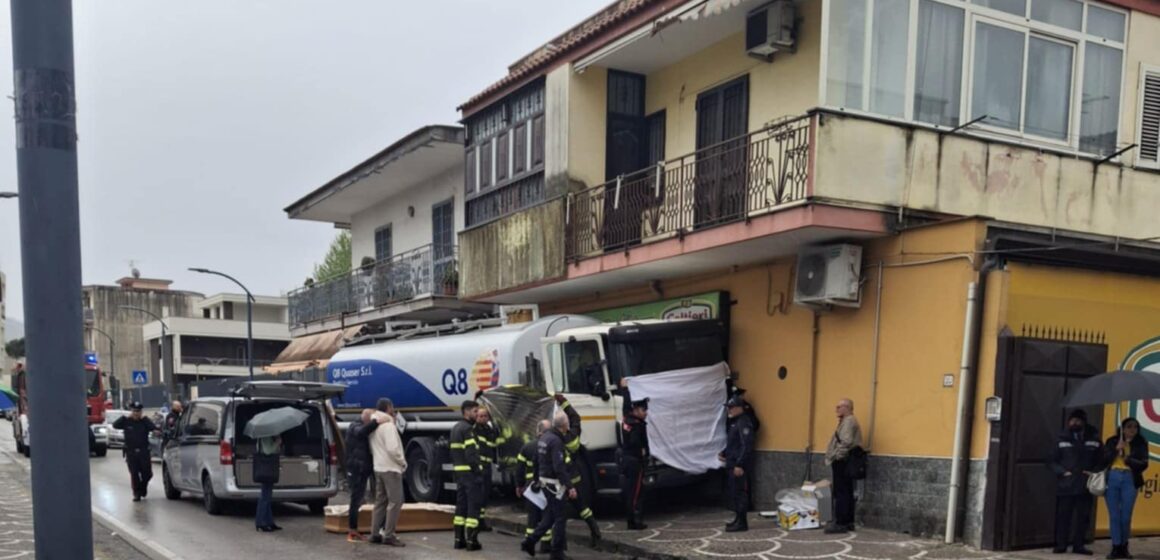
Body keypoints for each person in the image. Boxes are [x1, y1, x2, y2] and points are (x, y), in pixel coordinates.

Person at [520, 410, 575, 560]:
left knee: (550, 517)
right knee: (560, 518)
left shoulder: (544, 438)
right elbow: (559, 467)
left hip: (545, 484)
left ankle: (529, 542)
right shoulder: (556, 441)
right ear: (564, 426)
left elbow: (536, 460)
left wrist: (537, 479)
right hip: (555, 486)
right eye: (568, 425)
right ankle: (556, 553)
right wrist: (570, 486)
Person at [1048, 409, 1101, 555]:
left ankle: (1079, 545)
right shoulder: (1061, 438)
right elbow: (1051, 460)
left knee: (1083, 517)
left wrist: (1094, 471)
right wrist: (1062, 472)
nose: (1074, 423)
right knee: (1064, 516)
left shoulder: (1094, 439)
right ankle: (1061, 545)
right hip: (1066, 484)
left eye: (1078, 420)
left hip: (1085, 484)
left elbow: (1100, 459)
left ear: (1084, 422)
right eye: (1072, 420)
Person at [555, 393, 602, 547]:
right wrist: (563, 402)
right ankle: (595, 532)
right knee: (583, 508)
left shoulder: (554, 439)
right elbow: (575, 417)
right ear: (566, 425)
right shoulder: (574, 435)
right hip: (576, 477)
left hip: (562, 480)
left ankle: (557, 545)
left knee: (558, 512)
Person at [1101, 416, 1147, 559]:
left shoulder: (1141, 443)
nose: (1132, 430)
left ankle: (1124, 546)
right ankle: (1115, 546)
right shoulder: (1112, 441)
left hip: (1130, 478)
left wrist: (1128, 459)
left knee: (1125, 517)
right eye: (1129, 427)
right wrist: (1115, 450)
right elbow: (1103, 460)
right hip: (1113, 477)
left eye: (1135, 427)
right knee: (1114, 516)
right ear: (1122, 428)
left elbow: (1144, 464)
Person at [369, 398, 407, 547]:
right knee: (395, 501)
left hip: (378, 466)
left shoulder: (374, 424)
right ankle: (389, 535)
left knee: (380, 501)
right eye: (392, 407)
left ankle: (374, 533)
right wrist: (402, 462)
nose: (394, 410)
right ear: (388, 407)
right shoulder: (389, 426)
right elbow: (393, 448)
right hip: (391, 468)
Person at [824, 398, 863, 534]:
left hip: (843, 461)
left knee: (841, 492)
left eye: (839, 406)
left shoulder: (849, 421)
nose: (836, 409)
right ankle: (848, 521)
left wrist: (837, 457)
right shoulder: (847, 421)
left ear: (847, 407)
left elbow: (845, 442)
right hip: (845, 460)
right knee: (846, 491)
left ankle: (841, 523)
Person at [344, 409, 382, 542]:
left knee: (359, 498)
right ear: (366, 418)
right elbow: (361, 432)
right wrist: (376, 422)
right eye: (370, 419)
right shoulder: (355, 426)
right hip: (356, 469)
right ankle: (352, 530)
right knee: (356, 499)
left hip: (362, 469)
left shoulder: (360, 425)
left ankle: (355, 529)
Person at [450, 400, 484, 551]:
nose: (477, 415)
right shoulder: (469, 429)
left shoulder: (455, 428)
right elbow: (471, 454)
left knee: (461, 506)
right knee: (473, 507)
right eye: (475, 411)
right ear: (467, 411)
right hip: (470, 474)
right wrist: (479, 470)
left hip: (459, 472)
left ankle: (459, 540)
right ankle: (472, 541)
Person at [721, 394, 756, 532]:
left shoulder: (744, 422)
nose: (729, 410)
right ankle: (737, 519)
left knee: (740, 493)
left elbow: (746, 445)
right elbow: (734, 444)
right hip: (732, 463)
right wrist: (724, 453)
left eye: (732, 407)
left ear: (739, 408)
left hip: (738, 466)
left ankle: (742, 522)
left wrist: (740, 464)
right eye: (729, 408)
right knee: (734, 493)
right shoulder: (735, 422)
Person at [112, 401, 159, 502]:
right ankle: (136, 493)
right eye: (134, 411)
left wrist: (145, 419)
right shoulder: (126, 421)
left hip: (144, 452)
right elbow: (115, 425)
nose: (136, 413)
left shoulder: (144, 421)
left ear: (141, 412)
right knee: (134, 474)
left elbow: (153, 428)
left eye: (138, 411)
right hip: (131, 452)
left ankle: (142, 487)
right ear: (131, 411)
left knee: (148, 474)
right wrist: (124, 417)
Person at [518, 420, 553, 554]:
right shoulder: (552, 445)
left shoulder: (526, 447)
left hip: (530, 487)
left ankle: (529, 542)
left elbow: (519, 469)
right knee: (546, 515)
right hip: (547, 486)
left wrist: (519, 485)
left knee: (532, 517)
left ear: (537, 431)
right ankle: (545, 544)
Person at [620, 397, 650, 530]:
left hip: (626, 459)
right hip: (635, 461)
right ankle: (635, 521)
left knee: (630, 491)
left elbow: (625, 407)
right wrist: (642, 451)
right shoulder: (637, 425)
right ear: (636, 410)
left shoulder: (627, 420)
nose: (646, 413)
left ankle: (631, 520)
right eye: (644, 410)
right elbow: (635, 442)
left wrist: (625, 390)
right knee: (637, 492)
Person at [473, 405, 497, 532]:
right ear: (476, 417)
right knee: (479, 494)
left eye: (485, 416)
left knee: (485, 494)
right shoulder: (474, 430)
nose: (483, 418)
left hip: (487, 466)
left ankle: (481, 521)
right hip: (480, 466)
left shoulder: (489, 429)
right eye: (480, 416)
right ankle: (476, 521)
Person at [254, 435, 283, 532]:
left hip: (268, 467)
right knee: (265, 496)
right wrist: (277, 443)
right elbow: (267, 451)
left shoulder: (268, 435)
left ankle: (269, 522)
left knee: (267, 496)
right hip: (267, 466)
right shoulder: (265, 436)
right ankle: (261, 522)